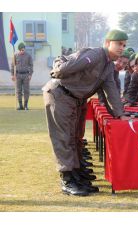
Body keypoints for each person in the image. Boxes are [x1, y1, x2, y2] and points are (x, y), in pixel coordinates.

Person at [42, 29, 129, 196]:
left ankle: (76, 175)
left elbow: (111, 92)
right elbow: (69, 66)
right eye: (118, 44)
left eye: (124, 45)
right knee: (64, 138)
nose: (121, 48)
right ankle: (67, 180)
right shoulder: (96, 55)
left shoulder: (108, 66)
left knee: (75, 138)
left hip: (75, 99)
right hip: (60, 93)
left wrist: (120, 114)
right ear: (107, 43)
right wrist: (57, 70)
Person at [11, 42, 33, 110]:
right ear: (19, 49)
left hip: (26, 75)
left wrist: (30, 74)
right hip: (18, 75)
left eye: (23, 49)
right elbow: (12, 66)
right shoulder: (15, 55)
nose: (23, 51)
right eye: (21, 50)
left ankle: (26, 105)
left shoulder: (28, 56)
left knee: (26, 90)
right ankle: (20, 105)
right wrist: (12, 75)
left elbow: (31, 65)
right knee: (18, 90)